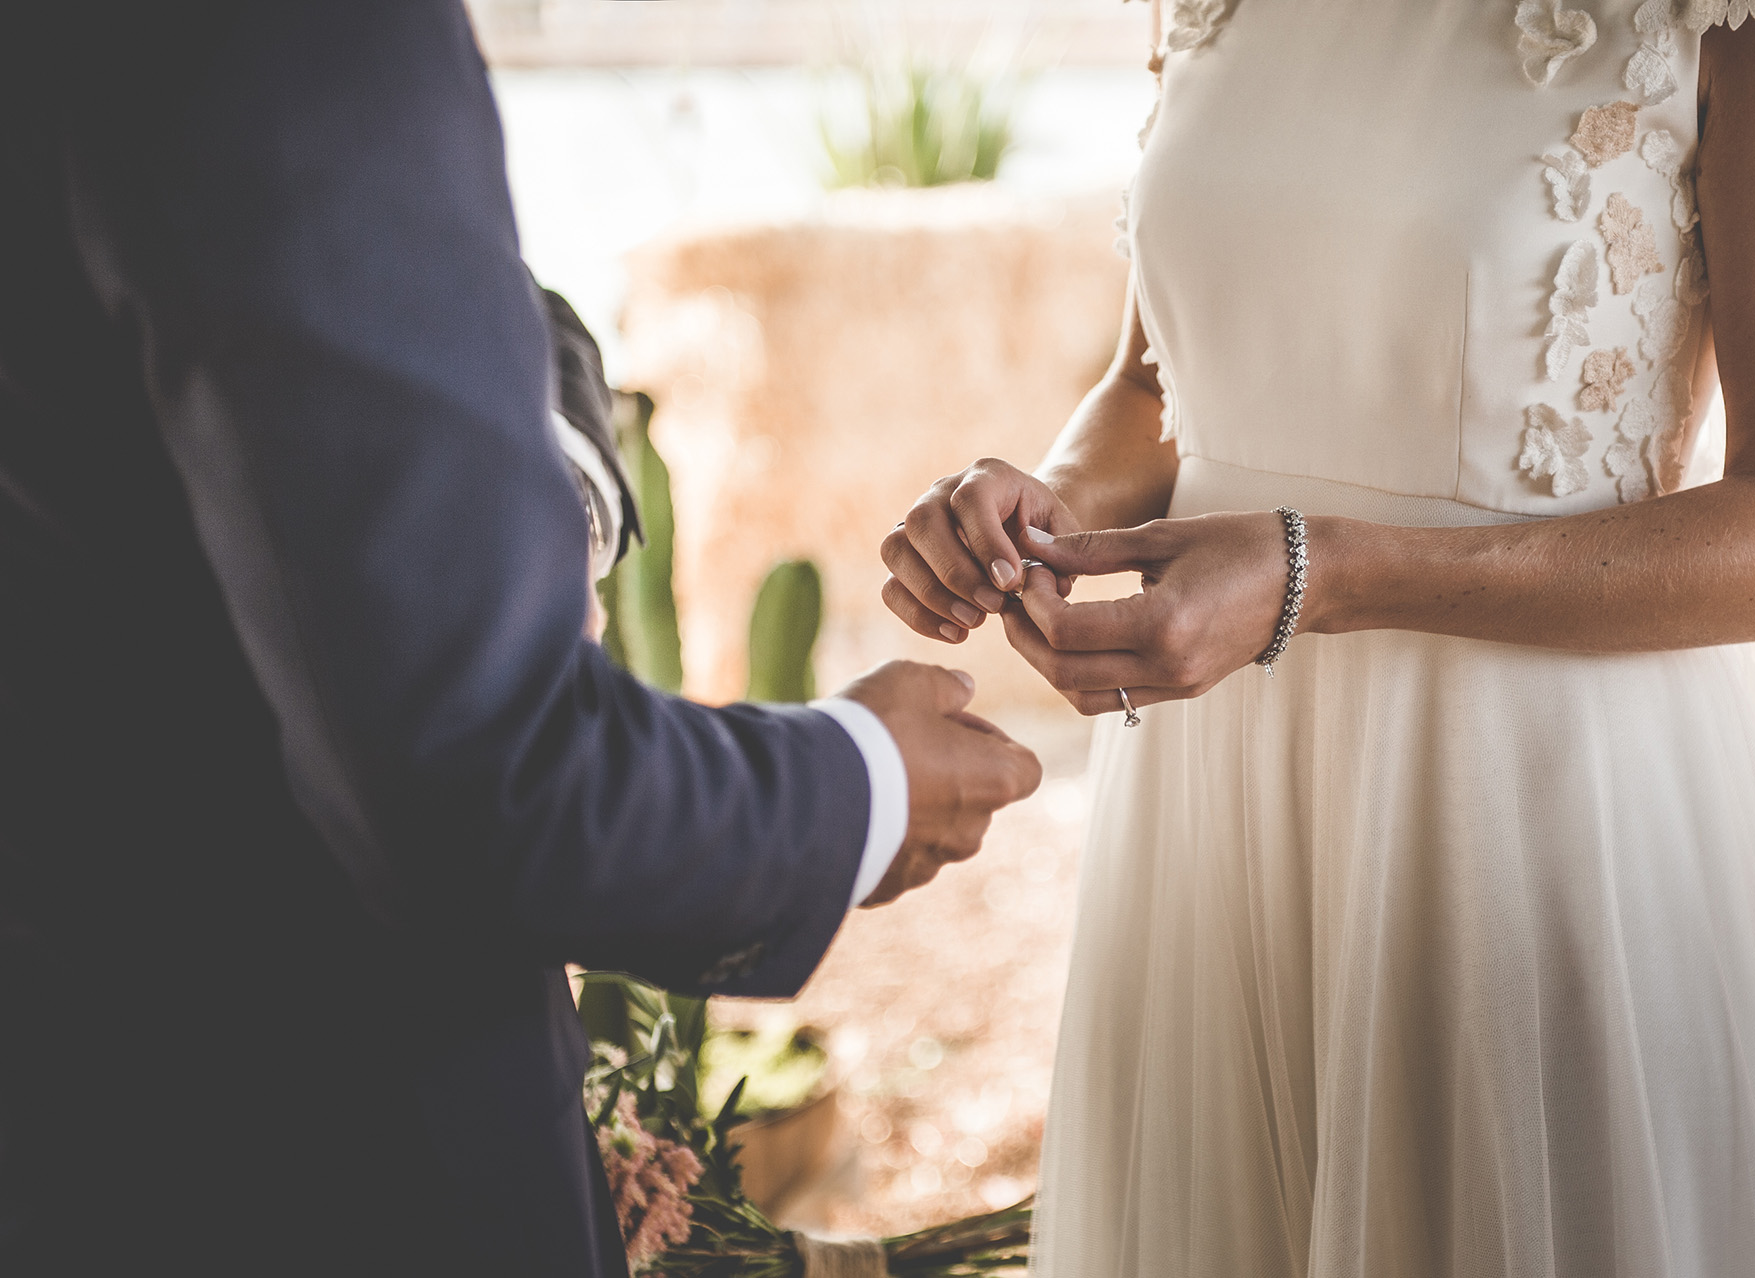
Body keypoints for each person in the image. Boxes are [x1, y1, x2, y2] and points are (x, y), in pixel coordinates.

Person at [0, 3, 1039, 1275]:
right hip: (289, 1155)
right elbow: (484, 775)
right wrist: (861, 784)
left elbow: (424, 311)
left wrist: (544, 500)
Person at [886, 1, 1755, 1274]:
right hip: (1210, 833)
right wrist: (1039, 510)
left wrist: (1322, 575)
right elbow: (1159, 385)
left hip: (1532, 829)